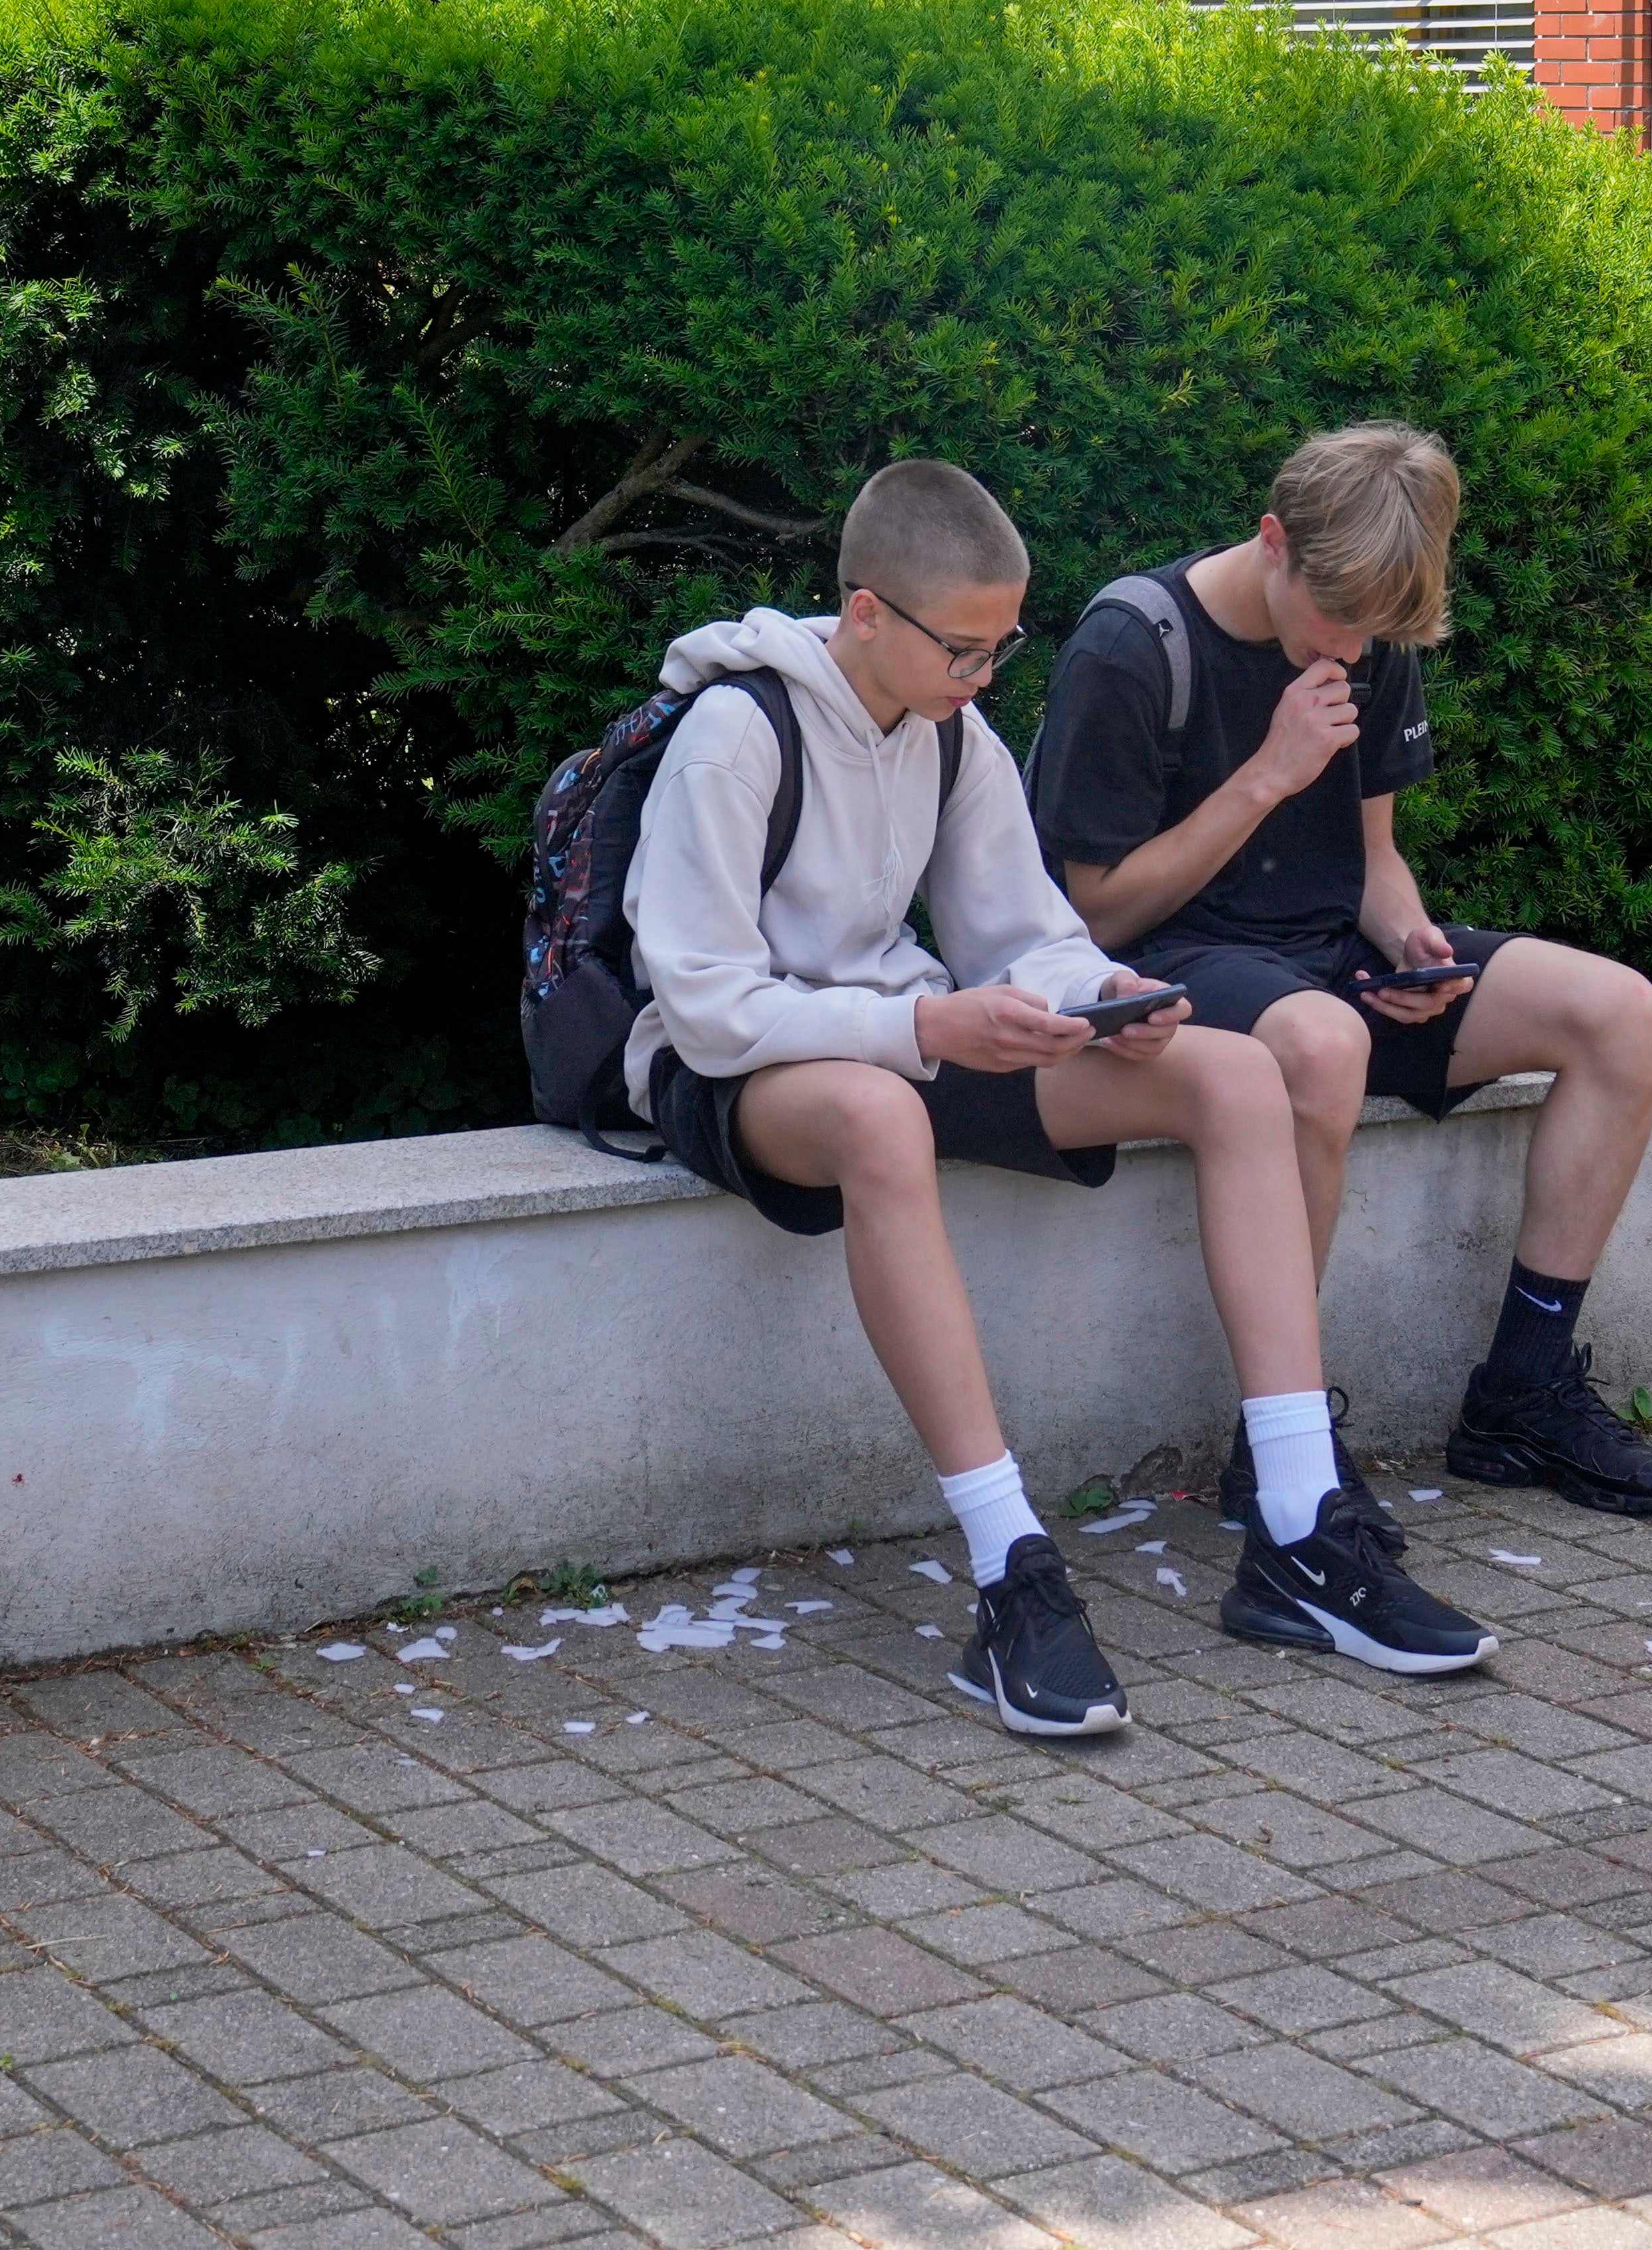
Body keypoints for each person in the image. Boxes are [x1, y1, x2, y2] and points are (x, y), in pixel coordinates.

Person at [625, 459, 1499, 1739]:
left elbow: (1023, 929)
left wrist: (1104, 995)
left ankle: (1300, 1527)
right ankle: (1010, 1569)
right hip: (737, 1069)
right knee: (879, 1116)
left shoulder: (949, 730)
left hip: (919, 1031)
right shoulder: (735, 731)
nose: (986, 679)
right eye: (963, 649)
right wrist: (924, 1024)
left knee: (1232, 1070)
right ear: (867, 612)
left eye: (1000, 647)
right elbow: (704, 1000)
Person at [1027, 423, 1652, 1520]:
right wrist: (1264, 777)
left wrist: (1412, 945)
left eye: (1377, 632)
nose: (1348, 650)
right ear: (1273, 540)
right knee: (1325, 1044)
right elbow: (1093, 909)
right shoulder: (1132, 646)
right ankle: (1280, 1449)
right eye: (1333, 621)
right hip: (1167, 960)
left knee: (1620, 1014)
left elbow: (1376, 857)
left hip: (1327, 953)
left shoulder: (1373, 628)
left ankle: (1521, 1395)